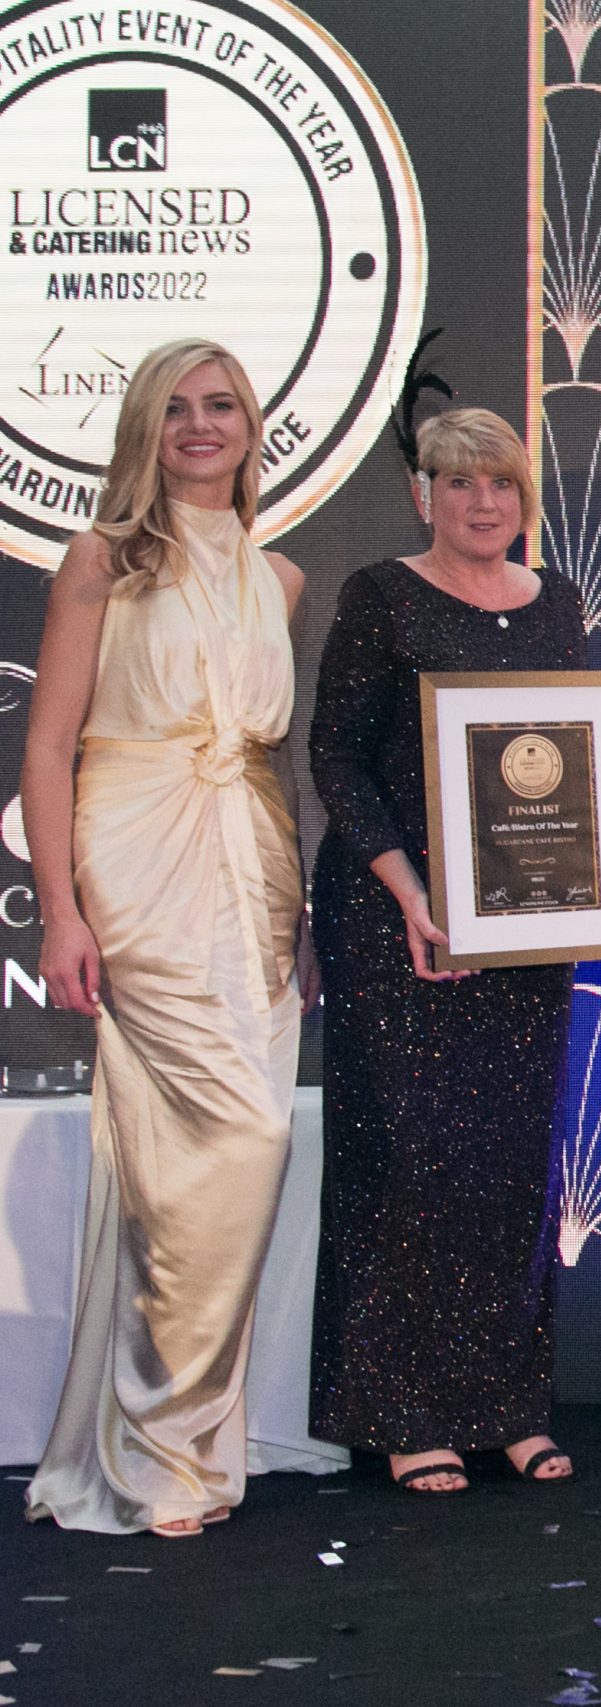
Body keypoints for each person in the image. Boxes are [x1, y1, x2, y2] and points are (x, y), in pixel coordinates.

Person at [20, 340, 316, 1537]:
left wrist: (297, 910)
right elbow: (49, 746)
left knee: (208, 1163)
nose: (201, 425)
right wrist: (60, 909)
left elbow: (271, 761)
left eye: (223, 405)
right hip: (137, 864)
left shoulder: (279, 577)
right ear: (145, 427)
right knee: (227, 1143)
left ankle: (183, 1441)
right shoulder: (101, 559)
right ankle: (155, 1457)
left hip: (254, 872)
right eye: (178, 408)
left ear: (251, 427)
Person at [306, 407, 586, 1495]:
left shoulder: (556, 600)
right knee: (407, 1159)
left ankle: (506, 1406)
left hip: (525, 918)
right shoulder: (381, 594)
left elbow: (569, 752)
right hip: (399, 919)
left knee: (511, 1163)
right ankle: (400, 1411)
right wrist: (413, 894)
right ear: (422, 492)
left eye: (501, 482)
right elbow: (336, 757)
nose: (483, 501)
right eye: (459, 481)